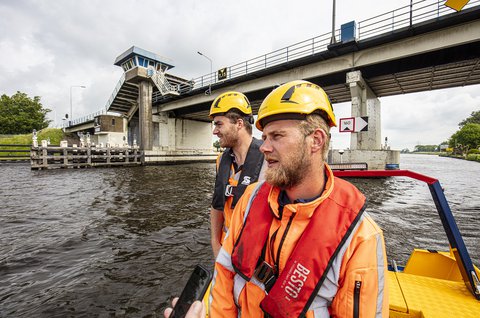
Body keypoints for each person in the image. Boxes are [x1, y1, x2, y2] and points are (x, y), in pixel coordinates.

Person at [209, 80, 389, 317]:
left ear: (316, 140)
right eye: (264, 137)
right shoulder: (251, 199)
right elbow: (224, 275)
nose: (264, 147)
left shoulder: (360, 238)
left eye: (277, 136)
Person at [209, 91, 265, 258]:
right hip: (226, 249)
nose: (214, 131)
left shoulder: (269, 158)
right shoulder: (222, 160)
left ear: (239, 123)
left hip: (256, 254)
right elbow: (217, 204)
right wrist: (215, 243)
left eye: (219, 124)